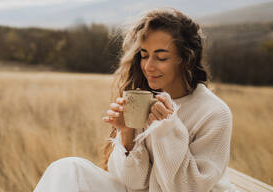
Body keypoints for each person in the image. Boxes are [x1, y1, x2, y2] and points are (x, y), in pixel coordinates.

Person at [33, 8, 237, 192]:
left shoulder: (214, 113)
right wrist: (127, 133)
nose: (148, 66)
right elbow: (132, 182)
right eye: (144, 55)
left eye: (161, 57)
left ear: (185, 59)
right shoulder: (144, 99)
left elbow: (188, 188)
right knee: (68, 169)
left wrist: (167, 129)